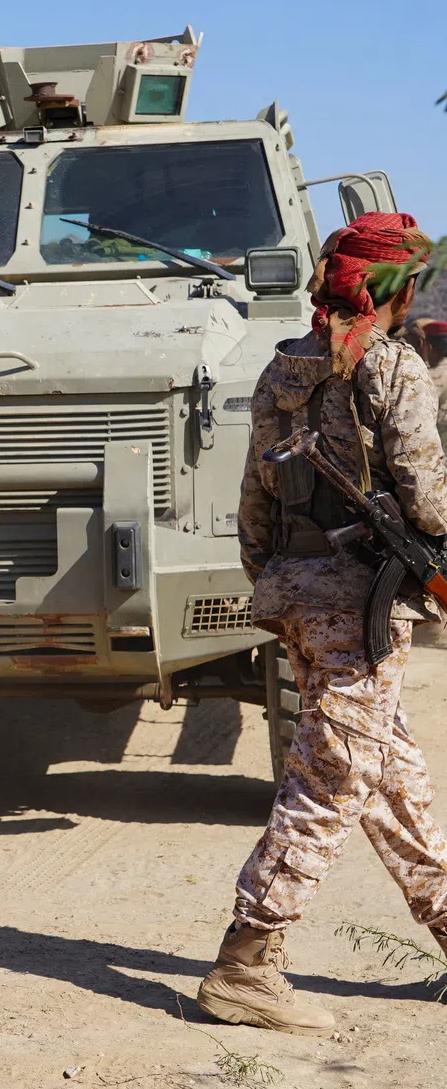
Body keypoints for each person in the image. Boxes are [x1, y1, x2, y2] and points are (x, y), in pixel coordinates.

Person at [197, 213, 447, 1036]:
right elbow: (429, 499)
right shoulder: (395, 368)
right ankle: (246, 959)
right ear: (394, 290)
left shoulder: (282, 369)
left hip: (300, 595)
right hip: (360, 603)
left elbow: (254, 498)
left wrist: (275, 581)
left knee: (385, 769)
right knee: (335, 777)